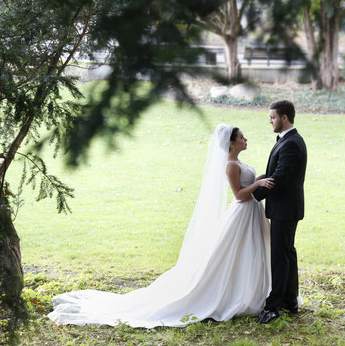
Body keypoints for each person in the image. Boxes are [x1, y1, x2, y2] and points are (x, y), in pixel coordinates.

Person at [47, 124, 275, 328]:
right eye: (242, 137)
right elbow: (239, 195)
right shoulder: (231, 165)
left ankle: (250, 291)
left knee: (250, 254)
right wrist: (258, 184)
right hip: (242, 212)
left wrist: (265, 177)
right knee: (235, 254)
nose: (246, 140)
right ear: (232, 143)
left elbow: (250, 183)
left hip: (251, 213)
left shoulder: (239, 162)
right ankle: (233, 295)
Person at [253, 100, 307, 324]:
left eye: (273, 117)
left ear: (284, 118)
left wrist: (252, 194)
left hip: (285, 209)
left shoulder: (292, 144)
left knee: (279, 257)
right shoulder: (287, 141)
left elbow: (279, 178)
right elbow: (273, 173)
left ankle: (274, 307)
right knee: (287, 253)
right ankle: (289, 300)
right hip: (286, 208)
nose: (270, 121)